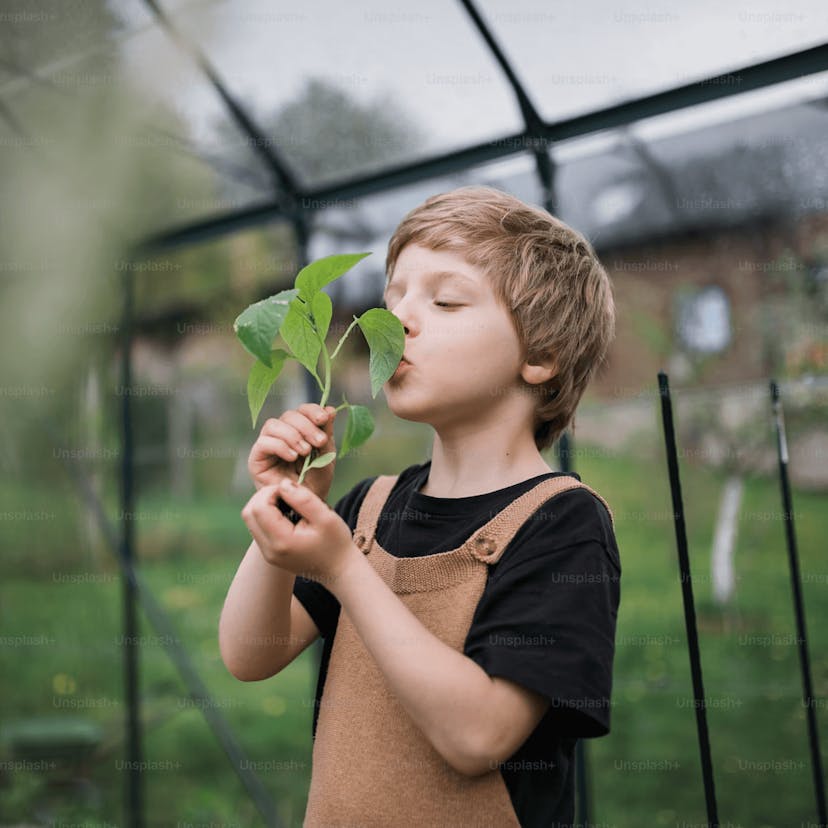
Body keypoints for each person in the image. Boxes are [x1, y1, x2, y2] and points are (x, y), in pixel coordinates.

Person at [220, 185, 621, 827]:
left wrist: (345, 571)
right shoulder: (370, 509)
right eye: (392, 298)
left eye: (446, 300)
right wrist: (284, 507)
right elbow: (250, 653)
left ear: (541, 356)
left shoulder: (563, 524)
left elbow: (478, 738)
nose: (399, 319)